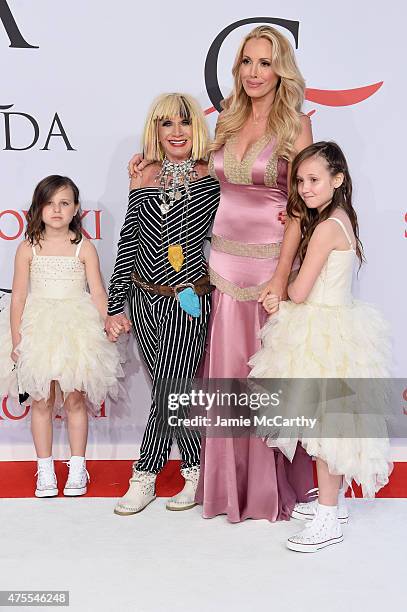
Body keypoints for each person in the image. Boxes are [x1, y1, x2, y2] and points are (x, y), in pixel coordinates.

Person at [129, 26, 315, 522]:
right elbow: (192, 169)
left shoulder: (296, 125)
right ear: (236, 69)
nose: (254, 72)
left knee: (265, 380)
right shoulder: (227, 121)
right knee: (224, 376)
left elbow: (299, 207)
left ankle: (268, 489)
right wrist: (146, 165)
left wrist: (281, 275)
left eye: (265, 63)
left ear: (281, 70)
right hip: (218, 267)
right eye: (247, 63)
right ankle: (225, 485)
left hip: (269, 264)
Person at [249, 141, 392, 551]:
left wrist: (281, 292)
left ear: (338, 179)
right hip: (338, 324)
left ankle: (328, 519)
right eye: (300, 181)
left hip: (321, 330)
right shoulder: (341, 218)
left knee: (326, 427)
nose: (306, 188)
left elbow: (298, 289)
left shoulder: (327, 227)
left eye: (314, 180)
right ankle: (334, 504)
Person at [105, 93, 220, 516]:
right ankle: (195, 470)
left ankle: (144, 476)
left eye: (184, 123)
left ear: (197, 129)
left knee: (170, 389)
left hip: (189, 299)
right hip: (142, 299)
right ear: (155, 130)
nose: (176, 132)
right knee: (173, 393)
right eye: (166, 124)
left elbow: (244, 223)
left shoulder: (214, 177)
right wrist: (117, 305)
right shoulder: (143, 175)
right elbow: (128, 244)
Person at [0, 175, 122, 497]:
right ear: (38, 208)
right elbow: (18, 297)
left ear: (75, 208)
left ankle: (77, 467)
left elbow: (97, 291)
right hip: (38, 329)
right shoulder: (28, 247)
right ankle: (45, 471)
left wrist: (101, 327)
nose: (56, 210)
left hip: (76, 328)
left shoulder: (84, 247)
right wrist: (16, 340)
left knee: (74, 399)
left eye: (64, 203)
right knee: (41, 400)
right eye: (49, 203)